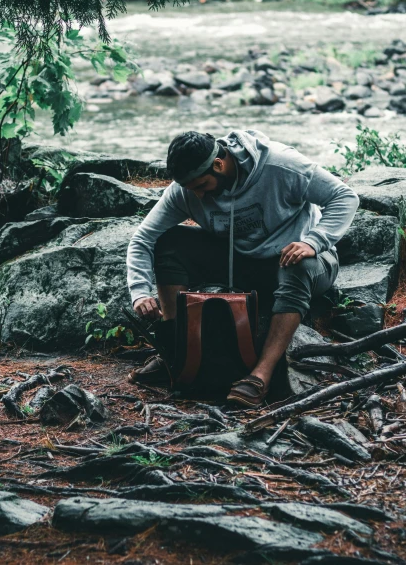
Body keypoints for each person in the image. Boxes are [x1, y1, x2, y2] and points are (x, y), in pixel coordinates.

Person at [126, 129, 359, 407]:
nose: (197, 196)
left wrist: (313, 241)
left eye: (201, 186)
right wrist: (140, 291)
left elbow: (345, 197)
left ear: (219, 164)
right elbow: (144, 238)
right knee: (170, 242)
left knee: (299, 264)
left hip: (303, 265)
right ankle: (177, 354)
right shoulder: (187, 189)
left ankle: (260, 376)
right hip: (244, 264)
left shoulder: (281, 165)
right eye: (191, 190)